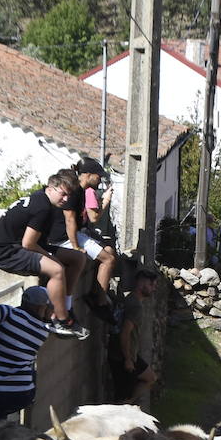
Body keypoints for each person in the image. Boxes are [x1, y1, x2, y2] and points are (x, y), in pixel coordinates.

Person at [0, 171, 89, 339]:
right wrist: (52, 258)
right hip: (6, 251)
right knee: (56, 269)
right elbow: (28, 243)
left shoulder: (44, 199)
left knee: (78, 258)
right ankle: (61, 320)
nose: (66, 199)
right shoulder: (42, 207)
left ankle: (66, 307)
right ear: (50, 188)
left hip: (22, 245)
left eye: (68, 196)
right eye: (63, 194)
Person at [0, 286, 54, 427]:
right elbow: (6, 348)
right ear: (42, 307)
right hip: (24, 393)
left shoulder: (10, 314)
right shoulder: (43, 331)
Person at [69, 157, 118, 323]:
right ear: (88, 175)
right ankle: (100, 301)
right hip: (73, 236)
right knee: (109, 259)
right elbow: (92, 217)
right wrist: (106, 200)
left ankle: (98, 294)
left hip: (79, 233)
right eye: (98, 176)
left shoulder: (83, 190)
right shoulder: (84, 191)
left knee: (109, 253)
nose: (100, 180)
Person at [109, 269, 159, 404]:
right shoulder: (135, 306)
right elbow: (125, 333)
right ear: (142, 284)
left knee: (150, 377)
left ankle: (129, 404)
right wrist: (128, 359)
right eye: (152, 285)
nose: (154, 289)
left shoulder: (129, 298)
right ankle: (126, 406)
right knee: (122, 398)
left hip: (125, 354)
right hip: (123, 356)